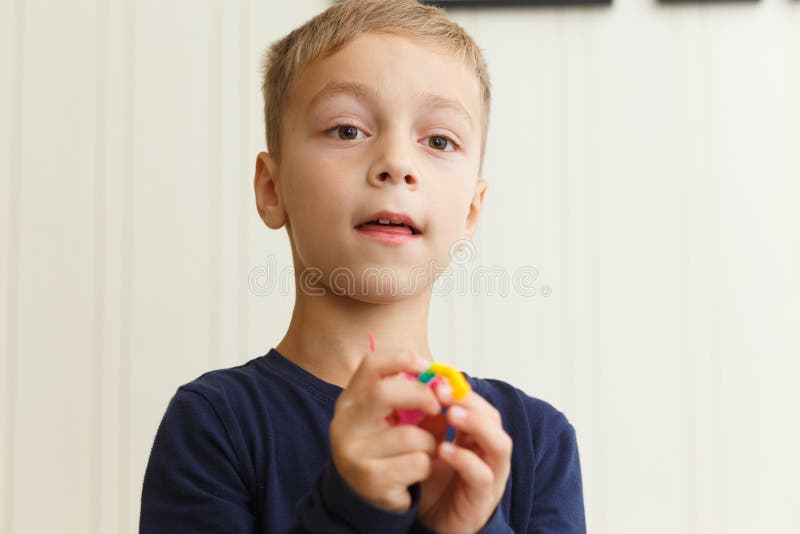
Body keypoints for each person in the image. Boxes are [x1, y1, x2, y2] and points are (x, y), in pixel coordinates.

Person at [139, 0, 586, 532]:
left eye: (438, 141)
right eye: (347, 130)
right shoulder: (214, 423)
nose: (396, 163)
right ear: (271, 188)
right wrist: (350, 507)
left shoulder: (535, 442)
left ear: (470, 211)